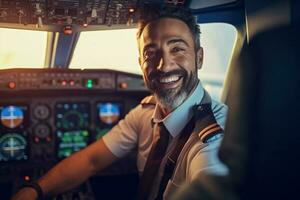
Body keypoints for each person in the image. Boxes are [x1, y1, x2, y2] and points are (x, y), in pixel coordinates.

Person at [11, 4, 228, 200]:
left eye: (177, 49)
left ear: (199, 57)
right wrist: (34, 190)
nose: (163, 65)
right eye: (151, 53)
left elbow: (212, 180)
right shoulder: (146, 113)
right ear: (141, 63)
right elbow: (92, 160)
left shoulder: (215, 136)